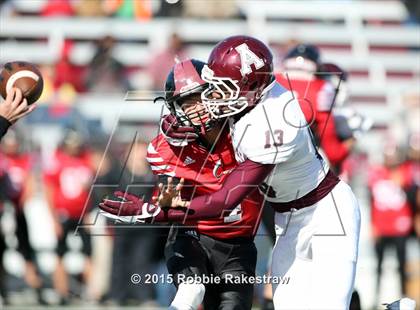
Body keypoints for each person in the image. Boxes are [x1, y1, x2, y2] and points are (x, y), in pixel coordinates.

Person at [101, 36, 361, 309]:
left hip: (326, 212)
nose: (211, 98)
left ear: (250, 88)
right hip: (286, 217)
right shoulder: (241, 105)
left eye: (221, 89)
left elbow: (224, 200)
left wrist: (150, 211)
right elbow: (177, 185)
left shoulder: (272, 122)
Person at [101, 59, 264, 310]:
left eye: (200, 97)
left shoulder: (245, 131)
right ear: (174, 109)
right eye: (186, 103)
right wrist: (155, 208)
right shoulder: (167, 149)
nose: (196, 108)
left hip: (238, 241)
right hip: (193, 235)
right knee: (191, 290)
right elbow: (169, 202)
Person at [276, 44, 355, 171]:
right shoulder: (322, 88)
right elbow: (333, 152)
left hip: (257, 153)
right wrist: (350, 143)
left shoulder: (273, 79)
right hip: (297, 160)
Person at [43, 128, 94, 304]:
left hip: (82, 214)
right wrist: (53, 218)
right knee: (60, 254)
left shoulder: (86, 159)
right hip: (63, 214)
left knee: (88, 253)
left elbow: (91, 190)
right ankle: (62, 292)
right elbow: (49, 190)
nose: (73, 147)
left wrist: (89, 213)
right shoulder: (57, 160)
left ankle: (88, 292)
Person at [0, 130, 46, 305]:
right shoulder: (3, 161)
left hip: (17, 212)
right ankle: (3, 290)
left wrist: (18, 205)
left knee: (26, 250)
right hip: (3, 210)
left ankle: (35, 289)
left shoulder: (24, 160)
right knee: (1, 253)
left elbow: (29, 183)